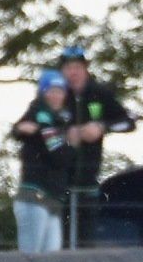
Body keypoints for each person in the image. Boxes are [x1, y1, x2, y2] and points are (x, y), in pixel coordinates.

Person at [56, 46, 135, 246]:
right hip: (57, 184)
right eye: (67, 68)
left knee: (86, 242)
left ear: (86, 68)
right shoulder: (54, 97)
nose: (72, 73)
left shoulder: (100, 94)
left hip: (88, 184)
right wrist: (65, 135)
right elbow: (37, 130)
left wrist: (102, 127)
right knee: (58, 243)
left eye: (77, 67)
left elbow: (128, 122)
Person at [9, 69, 78, 253]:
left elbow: (18, 129)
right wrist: (72, 144)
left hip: (52, 201)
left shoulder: (60, 119)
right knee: (33, 260)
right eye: (51, 91)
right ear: (43, 92)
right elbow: (58, 154)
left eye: (60, 91)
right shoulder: (41, 114)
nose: (56, 95)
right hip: (35, 198)